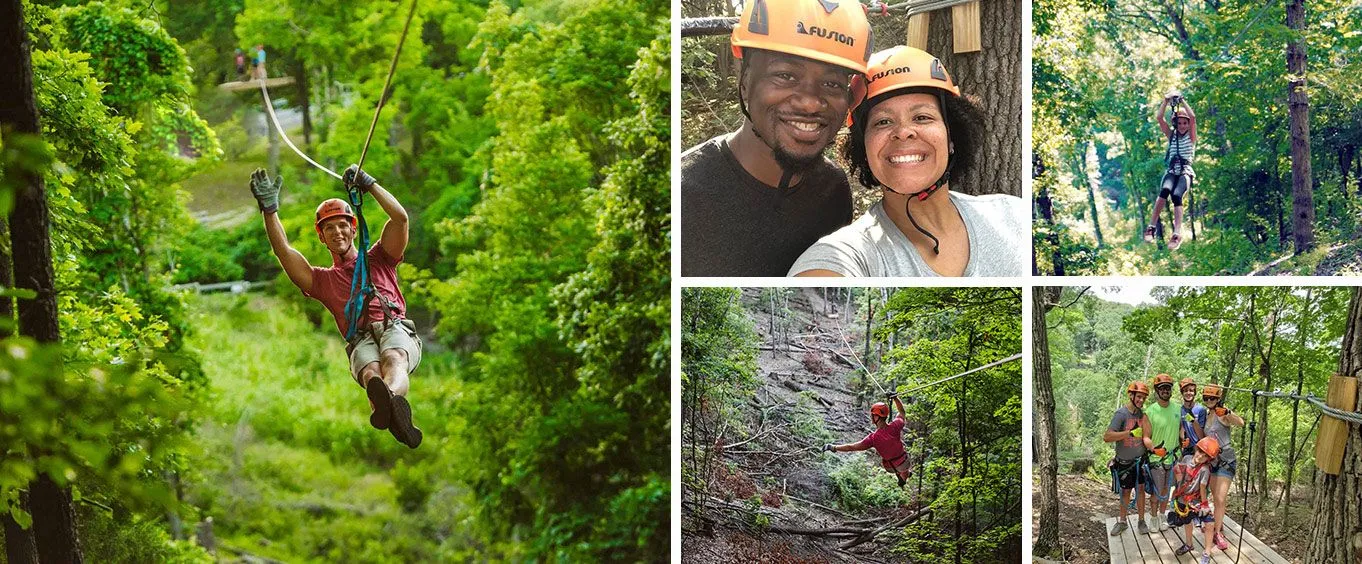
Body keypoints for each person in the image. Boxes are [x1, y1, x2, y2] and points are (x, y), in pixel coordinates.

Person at [788, 45, 1026, 277]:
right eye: (882, 122)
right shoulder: (845, 257)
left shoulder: (1015, 216)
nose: (903, 132)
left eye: (922, 117)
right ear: (864, 149)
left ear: (952, 136)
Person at [680, 0, 871, 276]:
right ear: (744, 81)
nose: (810, 103)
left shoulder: (833, 190)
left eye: (831, 83)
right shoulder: (684, 195)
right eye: (785, 75)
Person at [248, 165, 424, 449]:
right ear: (322, 236)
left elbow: (400, 219)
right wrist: (270, 211)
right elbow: (284, 252)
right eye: (329, 228)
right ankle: (390, 408)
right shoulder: (322, 281)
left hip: (394, 326)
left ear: (353, 229)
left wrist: (370, 184)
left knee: (393, 358)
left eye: (343, 225)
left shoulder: (380, 257)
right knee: (370, 373)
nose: (337, 232)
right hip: (360, 339)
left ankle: (388, 400)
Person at [1143, 90, 1196, 249]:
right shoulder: (1171, 135)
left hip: (1185, 172)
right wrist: (1166, 101)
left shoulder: (1191, 137)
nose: (1182, 126)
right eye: (1179, 123)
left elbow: (1193, 117)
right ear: (1175, 124)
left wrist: (1183, 100)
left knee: (1177, 195)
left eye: (1184, 123)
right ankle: (1151, 226)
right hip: (1172, 172)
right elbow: (1159, 118)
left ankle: (1177, 233)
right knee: (1165, 190)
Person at [825, 392, 912, 487]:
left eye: (872, 415)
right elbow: (902, 412)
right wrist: (896, 398)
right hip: (904, 463)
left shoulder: (873, 438)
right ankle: (904, 476)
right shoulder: (895, 426)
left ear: (876, 417)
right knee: (903, 464)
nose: (871, 417)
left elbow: (852, 447)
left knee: (899, 465)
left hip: (890, 467)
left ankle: (902, 476)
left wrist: (834, 447)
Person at [1103, 381, 1149, 536]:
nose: (1141, 400)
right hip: (1125, 463)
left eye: (1144, 398)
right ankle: (1122, 521)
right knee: (1125, 491)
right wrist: (1128, 433)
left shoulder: (1142, 415)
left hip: (1140, 461)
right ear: (1131, 395)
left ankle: (1141, 520)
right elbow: (1108, 436)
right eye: (1139, 397)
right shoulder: (1121, 414)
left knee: (1141, 489)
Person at [1200, 384, 1242, 551]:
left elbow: (1241, 422)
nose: (1209, 401)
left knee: (1220, 498)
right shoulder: (1206, 416)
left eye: (1213, 398)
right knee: (1213, 497)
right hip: (1212, 461)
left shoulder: (1222, 413)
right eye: (1206, 398)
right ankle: (1219, 526)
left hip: (1226, 459)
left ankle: (1218, 533)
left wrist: (1228, 413)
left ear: (1218, 399)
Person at [1167, 437, 1219, 563]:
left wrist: (1205, 505)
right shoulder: (1186, 459)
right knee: (1187, 521)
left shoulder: (1205, 470)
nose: (1200, 456)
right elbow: (1177, 478)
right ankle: (1189, 544)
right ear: (1196, 449)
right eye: (1200, 452)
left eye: (1205, 456)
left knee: (1210, 523)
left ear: (1209, 459)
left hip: (1195, 500)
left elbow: (1202, 487)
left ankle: (1207, 551)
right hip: (1181, 498)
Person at [1141, 373, 1181, 532]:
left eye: (1168, 388)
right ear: (1157, 391)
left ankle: (1163, 515)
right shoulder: (1150, 412)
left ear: (1171, 390)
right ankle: (1153, 517)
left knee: (1166, 490)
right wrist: (1154, 449)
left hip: (1172, 457)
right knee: (1157, 491)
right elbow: (1146, 437)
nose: (1165, 390)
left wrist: (1183, 439)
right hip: (1156, 458)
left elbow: (1180, 429)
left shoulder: (1178, 409)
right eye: (1162, 388)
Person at [1178, 377, 1207, 457]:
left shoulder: (1201, 410)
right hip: (1186, 450)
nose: (1188, 393)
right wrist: (1182, 440)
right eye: (1185, 390)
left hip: (1199, 449)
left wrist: (1193, 420)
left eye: (1191, 390)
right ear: (1182, 393)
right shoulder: (1179, 410)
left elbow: (1202, 436)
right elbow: (1181, 431)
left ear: (1194, 393)